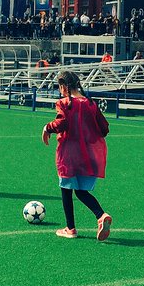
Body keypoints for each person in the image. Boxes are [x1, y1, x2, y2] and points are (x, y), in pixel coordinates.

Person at [41, 69, 112, 241]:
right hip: (88, 155)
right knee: (80, 191)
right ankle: (101, 216)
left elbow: (62, 122)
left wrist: (47, 128)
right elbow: (104, 129)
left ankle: (70, 228)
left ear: (64, 86)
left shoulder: (64, 103)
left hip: (69, 154)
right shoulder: (90, 103)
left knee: (66, 190)